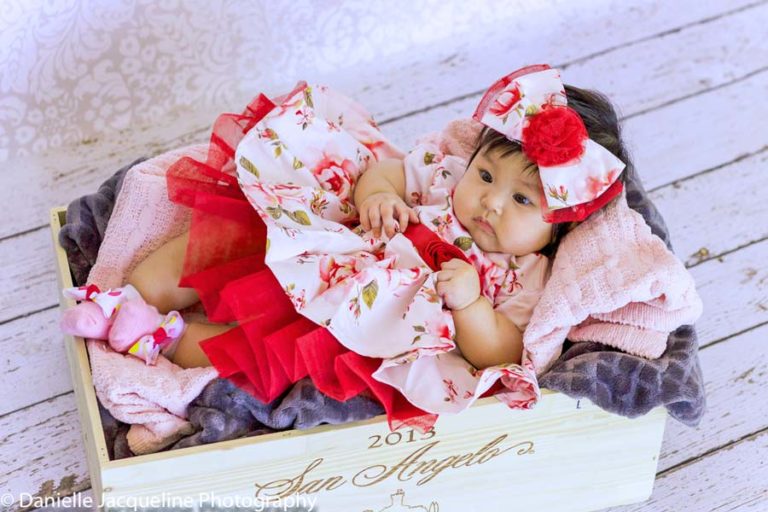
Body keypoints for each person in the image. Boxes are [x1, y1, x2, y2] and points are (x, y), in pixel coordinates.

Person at [126, 64, 632, 429]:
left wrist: (472, 304)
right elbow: (384, 171)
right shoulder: (443, 180)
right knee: (238, 250)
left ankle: (160, 338)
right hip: (331, 261)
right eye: (485, 174)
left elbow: (499, 351)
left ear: (561, 224)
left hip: (363, 329)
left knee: (264, 352)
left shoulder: (524, 274)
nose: (489, 201)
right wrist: (379, 197)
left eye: (522, 198)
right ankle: (132, 293)